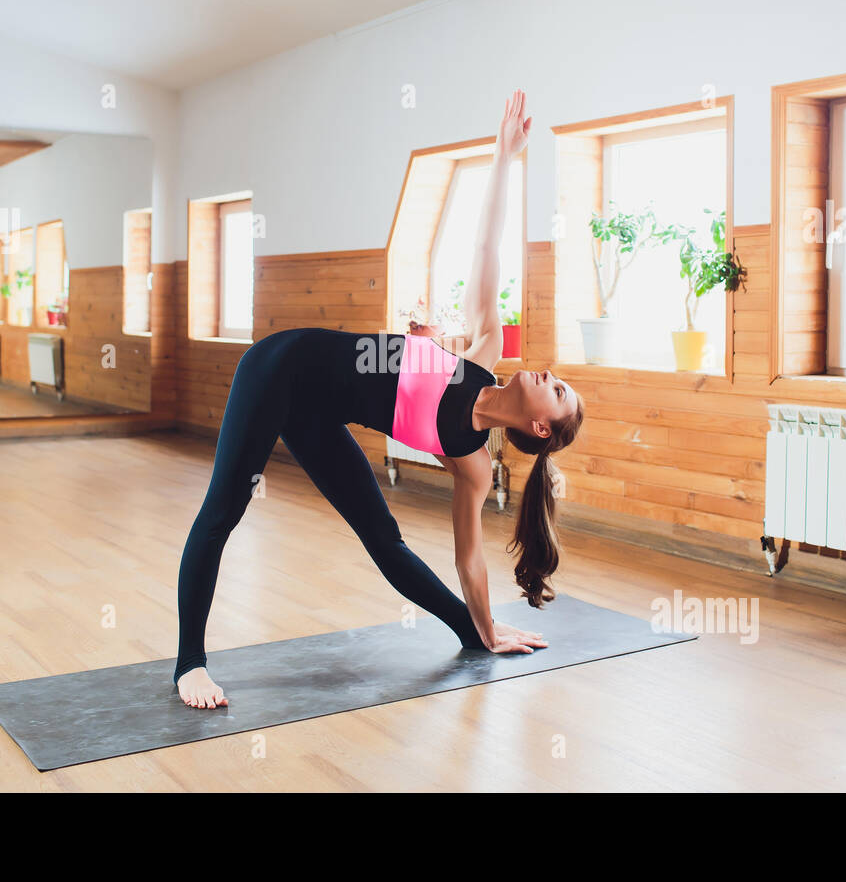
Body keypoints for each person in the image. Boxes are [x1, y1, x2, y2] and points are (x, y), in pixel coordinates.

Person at [176, 90, 584, 709]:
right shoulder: (482, 351)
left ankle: (468, 635)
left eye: (557, 390)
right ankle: (190, 665)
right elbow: (486, 248)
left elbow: (469, 562)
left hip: (315, 413)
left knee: (384, 539)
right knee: (223, 510)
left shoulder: (471, 463)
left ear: (539, 426)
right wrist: (504, 157)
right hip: (274, 366)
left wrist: (485, 631)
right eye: (557, 378)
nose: (549, 373)